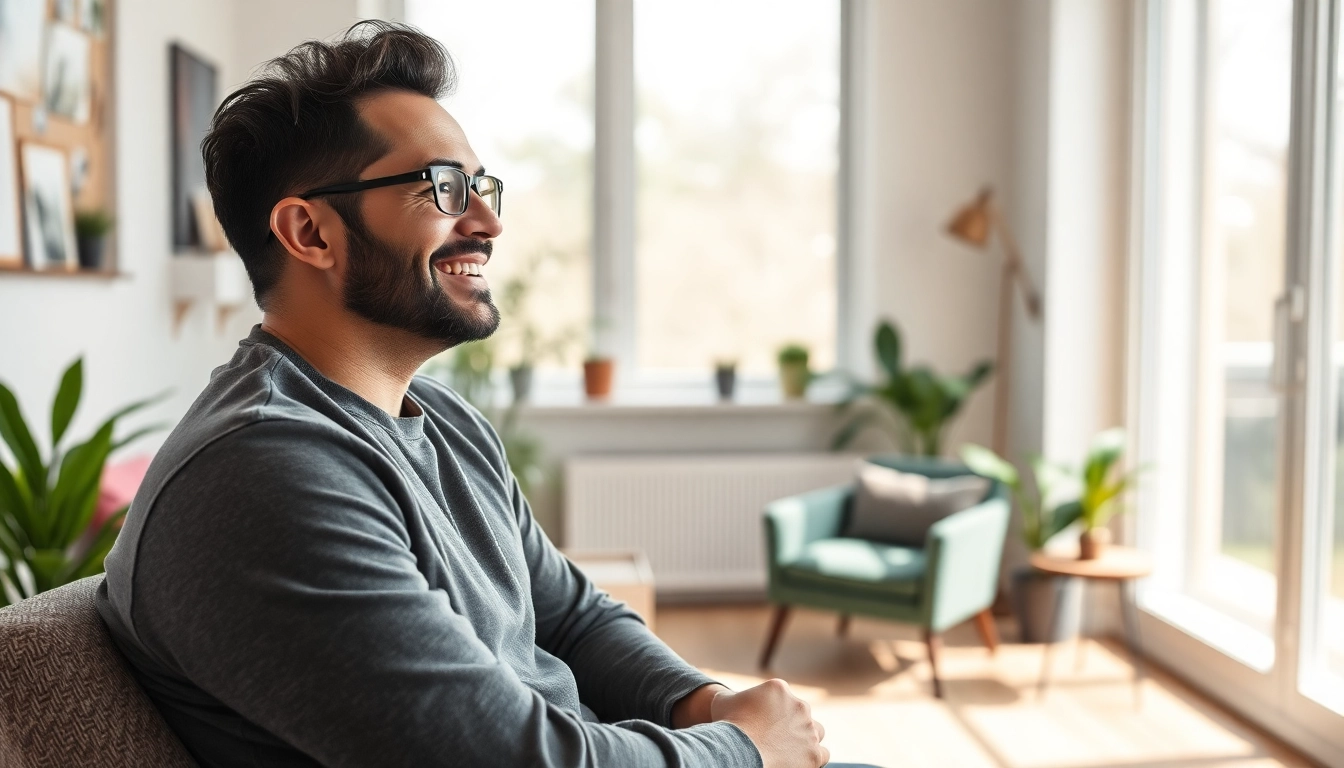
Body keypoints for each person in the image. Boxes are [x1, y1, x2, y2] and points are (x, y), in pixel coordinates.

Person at [96, 20, 843, 768]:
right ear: (310, 233)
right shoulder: (264, 474)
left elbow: (573, 619)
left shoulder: (443, 419)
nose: (488, 222)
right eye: (444, 187)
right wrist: (745, 749)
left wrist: (707, 705)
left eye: (480, 186)